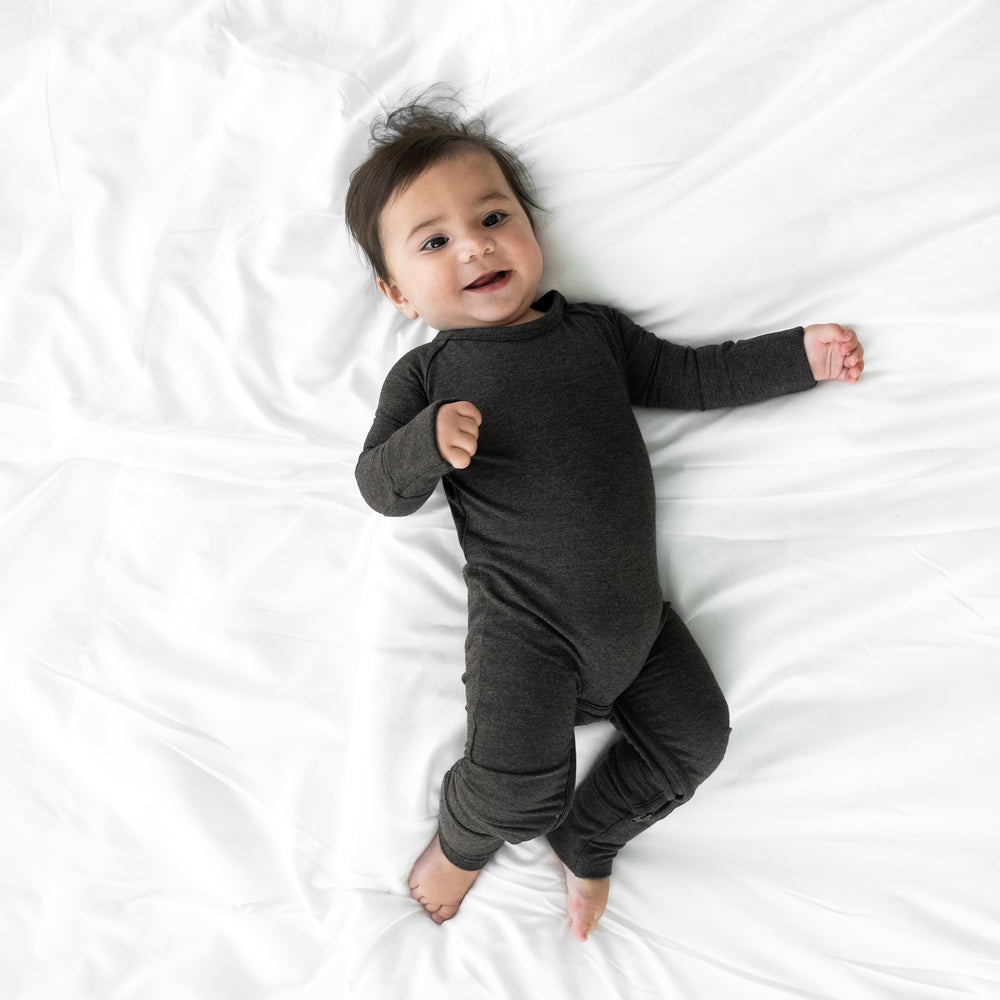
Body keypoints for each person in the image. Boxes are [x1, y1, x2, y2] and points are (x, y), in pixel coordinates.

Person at [347, 93, 864, 942]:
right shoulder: (428, 378)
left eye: (493, 216)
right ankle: (463, 843)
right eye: (434, 242)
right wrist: (426, 445)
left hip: (639, 627)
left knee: (697, 740)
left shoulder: (593, 335)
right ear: (396, 289)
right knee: (515, 787)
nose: (475, 245)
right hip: (528, 635)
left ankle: (590, 837)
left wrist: (797, 357)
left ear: (528, 225)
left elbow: (693, 379)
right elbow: (377, 486)